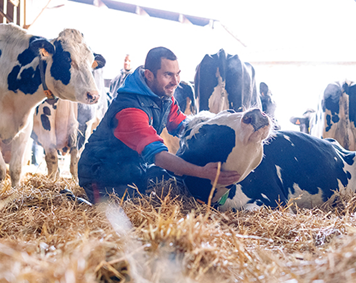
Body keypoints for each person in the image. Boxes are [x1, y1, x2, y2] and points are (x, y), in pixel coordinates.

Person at [78, 46, 239, 202]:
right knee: (134, 210)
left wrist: (215, 132)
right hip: (103, 176)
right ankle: (81, 201)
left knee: (178, 190)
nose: (175, 81)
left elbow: (185, 126)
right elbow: (158, 156)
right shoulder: (130, 110)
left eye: (178, 74)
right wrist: (202, 172)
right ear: (149, 75)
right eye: (168, 75)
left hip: (133, 167)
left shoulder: (164, 98)